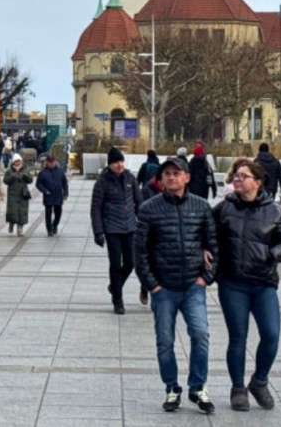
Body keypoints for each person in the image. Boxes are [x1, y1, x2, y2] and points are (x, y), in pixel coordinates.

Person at [211, 159, 281, 411]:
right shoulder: (223, 209)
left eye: (244, 176)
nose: (237, 179)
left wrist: (271, 255)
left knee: (271, 334)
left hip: (263, 283)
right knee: (238, 337)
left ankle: (259, 381)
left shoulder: (274, 211)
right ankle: (238, 389)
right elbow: (207, 236)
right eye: (236, 176)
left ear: (257, 182)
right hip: (232, 283)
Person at [136, 155, 217, 414]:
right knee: (165, 341)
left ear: (187, 177)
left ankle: (198, 386)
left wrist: (207, 277)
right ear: (160, 179)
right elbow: (139, 251)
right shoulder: (149, 208)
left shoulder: (201, 207)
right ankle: (172, 387)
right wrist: (152, 285)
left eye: (177, 173)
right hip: (164, 288)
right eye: (167, 173)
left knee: (201, 335)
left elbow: (214, 244)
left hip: (194, 285)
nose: (172, 177)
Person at [91, 146, 141, 314]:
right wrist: (98, 231)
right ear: (110, 164)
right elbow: (95, 208)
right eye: (116, 162)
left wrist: (145, 222)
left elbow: (139, 202)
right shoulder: (102, 182)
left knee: (130, 263)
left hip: (130, 227)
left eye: (121, 161)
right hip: (112, 228)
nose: (120, 165)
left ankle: (114, 286)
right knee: (115, 264)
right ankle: (118, 300)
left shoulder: (130, 179)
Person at [36, 155, 69, 236]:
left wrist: (65, 193)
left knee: (58, 213)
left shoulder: (60, 171)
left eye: (53, 162)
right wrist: (44, 191)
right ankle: (49, 230)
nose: (51, 164)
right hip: (48, 196)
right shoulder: (43, 173)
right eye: (50, 162)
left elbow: (65, 183)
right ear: (47, 163)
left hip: (58, 195)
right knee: (48, 214)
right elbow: (38, 184)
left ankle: (55, 225)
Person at [4, 153, 34, 236]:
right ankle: (11, 223)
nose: (18, 163)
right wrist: (13, 177)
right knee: (13, 212)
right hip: (12, 194)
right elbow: (5, 181)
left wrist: (25, 176)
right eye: (16, 161)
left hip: (22, 194)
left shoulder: (25, 170)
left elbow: (30, 180)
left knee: (22, 212)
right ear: (13, 162)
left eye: (19, 161)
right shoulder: (9, 171)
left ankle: (20, 229)